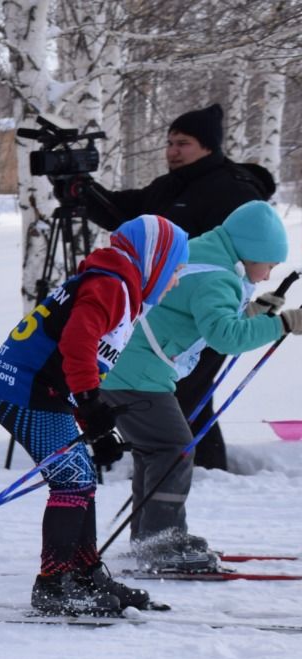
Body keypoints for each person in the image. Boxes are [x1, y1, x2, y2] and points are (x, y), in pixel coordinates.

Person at [0, 215, 189, 617]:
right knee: (73, 480)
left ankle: (85, 574)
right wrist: (91, 403)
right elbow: (78, 341)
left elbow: (77, 356)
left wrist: (89, 421)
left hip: (37, 391)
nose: (175, 280)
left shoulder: (118, 283)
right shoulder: (113, 286)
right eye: (175, 269)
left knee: (80, 476)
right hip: (22, 391)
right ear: (156, 260)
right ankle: (54, 585)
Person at [68, 104, 275, 472]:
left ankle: (197, 471)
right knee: (180, 401)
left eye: (183, 143)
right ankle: (192, 470)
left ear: (208, 147)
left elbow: (250, 248)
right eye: (169, 143)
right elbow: (122, 213)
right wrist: (82, 191)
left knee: (183, 399)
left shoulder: (231, 188)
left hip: (206, 309)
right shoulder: (169, 186)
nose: (173, 151)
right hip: (165, 312)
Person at [100, 201, 296, 571]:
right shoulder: (218, 276)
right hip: (138, 375)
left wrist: (252, 311)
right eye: (269, 264)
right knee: (173, 448)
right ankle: (162, 543)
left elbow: (197, 312)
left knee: (156, 450)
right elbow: (225, 335)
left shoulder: (207, 252)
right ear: (251, 252)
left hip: (127, 367)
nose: (268, 275)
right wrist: (282, 324)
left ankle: (152, 536)